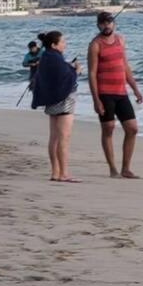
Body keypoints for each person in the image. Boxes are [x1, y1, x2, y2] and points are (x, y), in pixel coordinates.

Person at [88, 12, 143, 179]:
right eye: (103, 23)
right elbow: (91, 74)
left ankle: (126, 168)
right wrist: (96, 100)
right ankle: (113, 169)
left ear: (114, 24)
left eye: (109, 22)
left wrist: (135, 88)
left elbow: (124, 65)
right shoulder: (95, 45)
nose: (107, 26)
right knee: (109, 128)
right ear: (98, 25)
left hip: (121, 92)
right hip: (105, 93)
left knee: (132, 129)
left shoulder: (120, 40)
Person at [31, 30, 81, 183]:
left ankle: (55, 172)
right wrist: (76, 71)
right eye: (62, 42)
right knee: (63, 138)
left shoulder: (46, 56)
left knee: (54, 138)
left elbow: (57, 73)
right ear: (54, 44)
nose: (64, 44)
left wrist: (69, 67)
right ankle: (64, 173)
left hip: (52, 101)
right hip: (63, 101)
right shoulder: (54, 58)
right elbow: (65, 77)